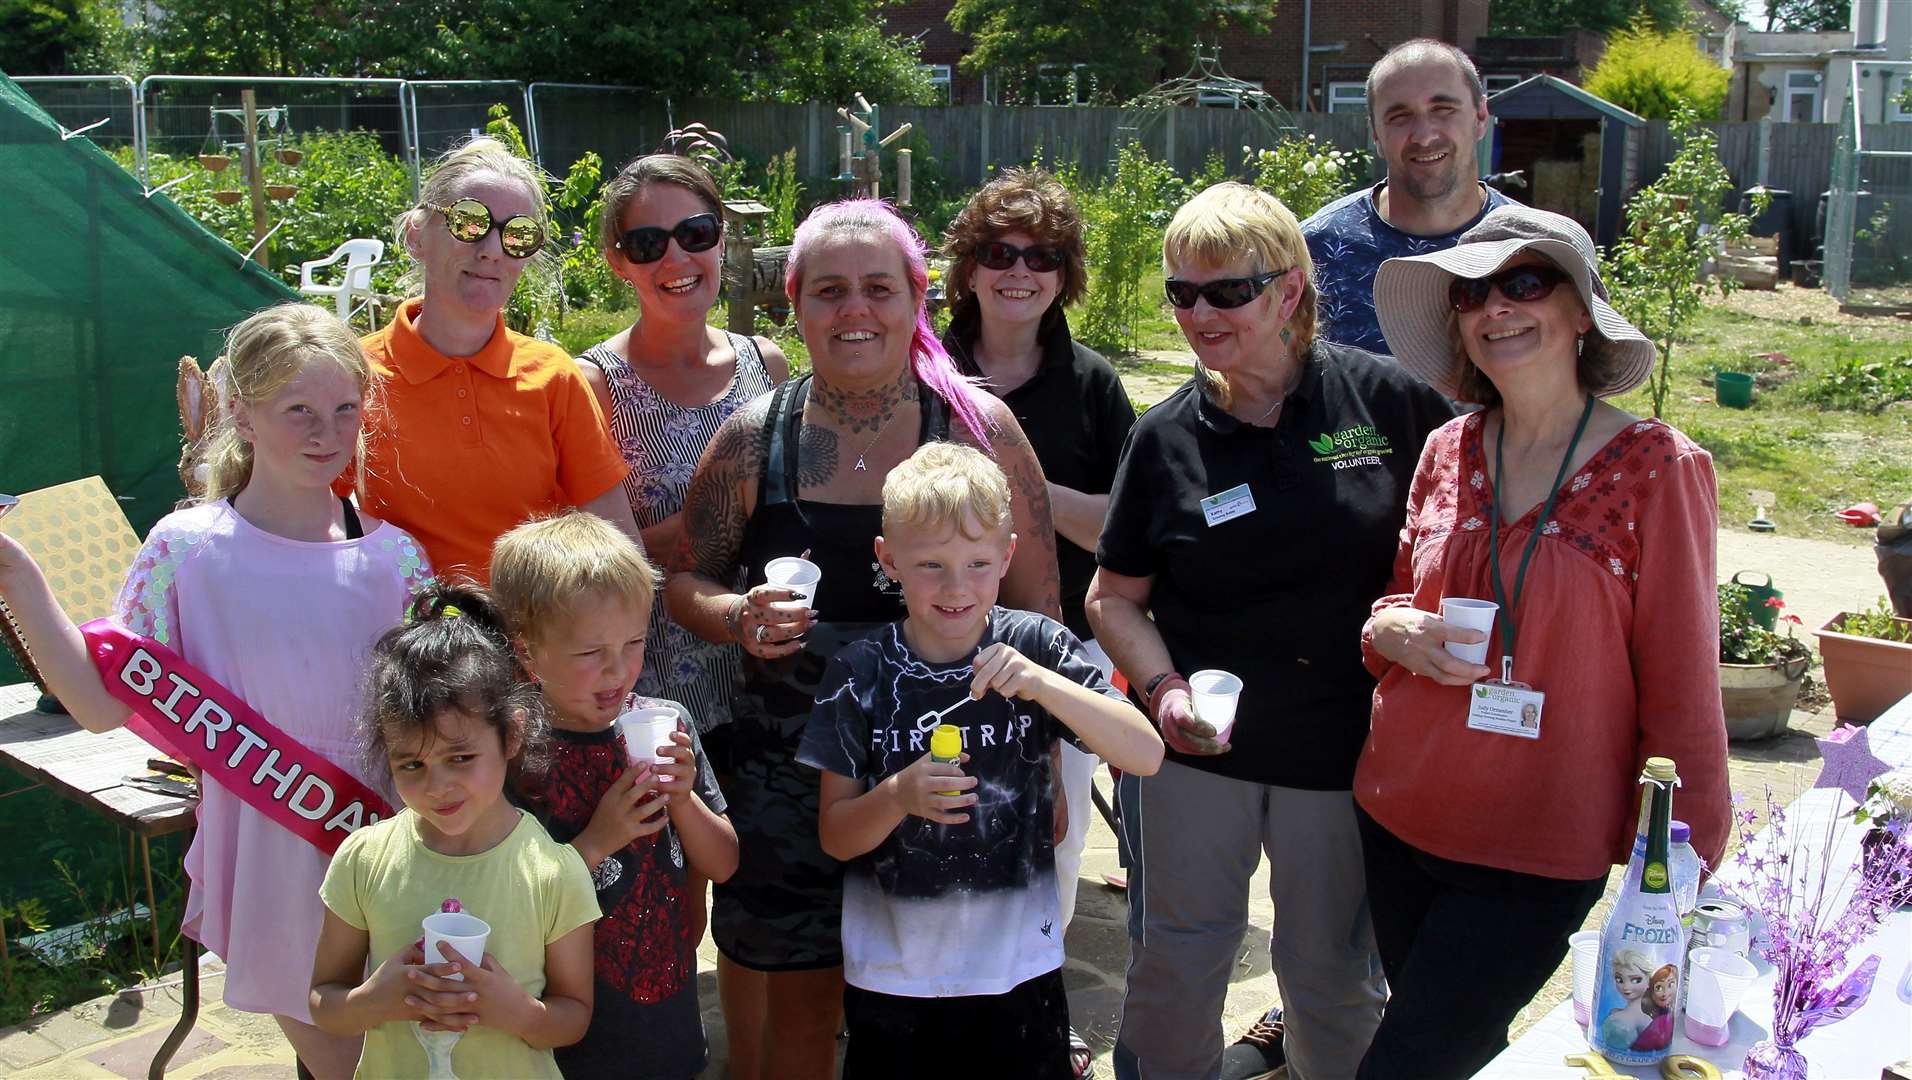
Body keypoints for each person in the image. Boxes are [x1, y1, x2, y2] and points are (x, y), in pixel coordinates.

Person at [667, 198, 1062, 1080]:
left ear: (917, 299)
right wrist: (738, 617)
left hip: (946, 775)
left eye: (880, 288)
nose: (855, 310)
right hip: (786, 779)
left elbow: (1039, 612)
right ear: (796, 303)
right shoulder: (752, 437)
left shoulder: (978, 431)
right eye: (830, 290)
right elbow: (685, 579)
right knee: (801, 1014)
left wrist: (1044, 770)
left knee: (932, 1020)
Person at [0, 302, 431, 1080]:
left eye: (343, 408)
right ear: (242, 411)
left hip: (386, 837)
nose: (324, 432)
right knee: (345, 1063)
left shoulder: (398, 558)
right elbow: (101, 704)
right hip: (271, 834)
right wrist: (20, 582)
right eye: (297, 409)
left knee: (405, 1050)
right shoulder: (187, 549)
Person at [1087, 182, 1454, 1080]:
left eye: (1225, 291)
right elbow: (1112, 598)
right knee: (1178, 963)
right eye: (1181, 294)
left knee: (1330, 976)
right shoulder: (1167, 436)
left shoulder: (1389, 406)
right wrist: (1164, 691)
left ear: (1289, 291)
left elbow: (1466, 546)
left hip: (1344, 752)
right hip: (1202, 756)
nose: (1199, 315)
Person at [1355, 204, 1729, 1077]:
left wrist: (1686, 866)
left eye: (1524, 282)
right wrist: (1391, 628)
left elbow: (1683, 687)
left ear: (1580, 312)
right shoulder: (1448, 447)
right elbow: (1393, 608)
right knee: (1461, 1051)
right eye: (1472, 292)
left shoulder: (1659, 468)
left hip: (1538, 841)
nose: (1496, 308)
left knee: (1409, 1063)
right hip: (1400, 807)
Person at [799, 442, 1163, 1078]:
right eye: (931, 564)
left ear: (1008, 557)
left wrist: (1045, 685)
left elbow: (1146, 751)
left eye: (976, 562)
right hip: (895, 974)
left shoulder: (1035, 645)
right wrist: (896, 796)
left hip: (1019, 968)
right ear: (888, 560)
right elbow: (836, 835)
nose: (956, 586)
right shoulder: (858, 673)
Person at [939, 168, 1135, 1075]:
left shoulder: (1092, 387)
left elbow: (1120, 527)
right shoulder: (923, 365)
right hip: (938, 636)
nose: (1020, 271)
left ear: (1066, 274)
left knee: (1054, 833)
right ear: (968, 267)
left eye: (1043, 257)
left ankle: (1037, 1007)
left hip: (1063, 643)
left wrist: (1011, 477)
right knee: (939, 821)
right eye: (999, 253)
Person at [575, 152, 786, 959]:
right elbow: (599, 550)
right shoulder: (594, 381)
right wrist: (710, 520)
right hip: (650, 666)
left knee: (742, 870)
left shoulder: (765, 364)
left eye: (694, 233)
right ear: (617, 260)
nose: (676, 258)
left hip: (748, 659)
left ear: (722, 239)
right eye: (647, 242)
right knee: (656, 887)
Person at [309, 584, 598, 1078]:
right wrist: (373, 1001)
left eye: (460, 757)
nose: (438, 786)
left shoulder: (553, 870)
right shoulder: (364, 858)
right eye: (412, 764)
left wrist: (517, 1011)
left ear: (511, 734)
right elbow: (324, 1001)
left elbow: (574, 1015)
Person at [492, 510, 739, 1078]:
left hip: (668, 1019)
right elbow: (507, 901)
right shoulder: (511, 753)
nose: (618, 670)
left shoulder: (667, 724)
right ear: (529, 653)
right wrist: (599, 839)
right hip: (561, 1032)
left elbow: (724, 865)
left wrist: (683, 798)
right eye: (589, 653)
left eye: (633, 643)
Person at [352, 135, 640, 583]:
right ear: (417, 233)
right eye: (468, 222)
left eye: (517, 234)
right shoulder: (351, 375)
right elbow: (307, 530)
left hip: (532, 637)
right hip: (400, 642)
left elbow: (616, 539)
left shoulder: (553, 376)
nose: (492, 249)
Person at [1304, 39, 1510, 356]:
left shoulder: (1532, 245)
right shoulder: (1317, 251)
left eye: (1443, 110)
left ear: (1481, 116)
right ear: (1376, 134)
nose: (1424, 135)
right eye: (1399, 117)